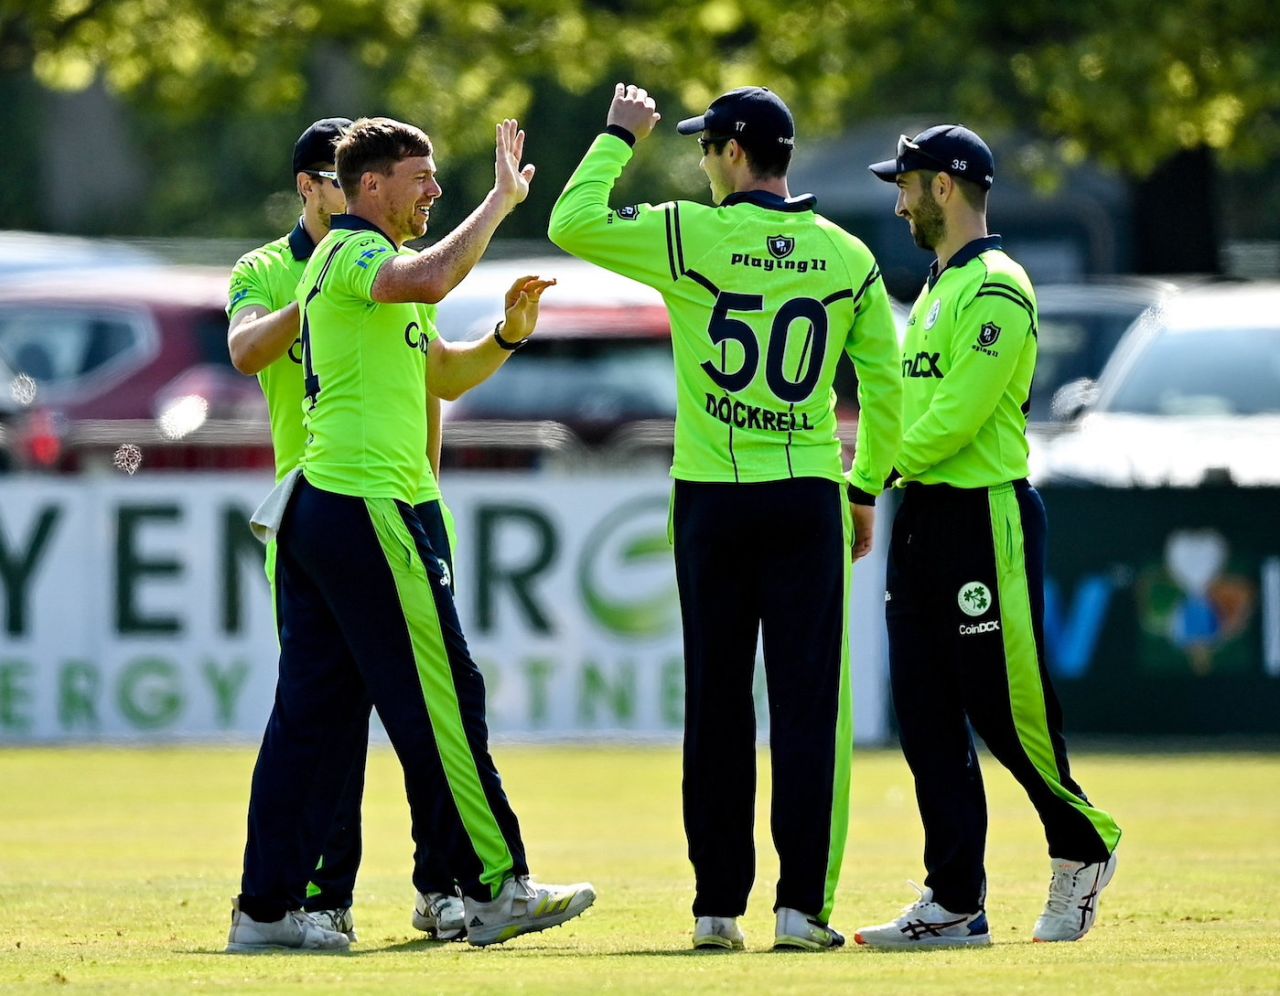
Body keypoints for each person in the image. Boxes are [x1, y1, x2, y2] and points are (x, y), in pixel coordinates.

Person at [227, 115, 594, 953]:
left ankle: (268, 908)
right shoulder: (358, 252)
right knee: (447, 698)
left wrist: (504, 334)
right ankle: (495, 889)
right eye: (420, 177)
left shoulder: (354, 265)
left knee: (313, 718)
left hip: (332, 504)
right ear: (370, 188)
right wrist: (502, 203)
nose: (434, 190)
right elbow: (427, 281)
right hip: (366, 505)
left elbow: (437, 365)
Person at [548, 84, 902, 951]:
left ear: (735, 154)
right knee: (807, 704)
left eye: (709, 146)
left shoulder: (689, 234)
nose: (703, 160)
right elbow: (884, 389)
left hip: (710, 495)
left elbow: (570, 221)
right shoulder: (847, 255)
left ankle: (715, 910)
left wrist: (616, 136)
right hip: (806, 494)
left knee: (716, 704)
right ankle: (800, 909)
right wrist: (864, 490)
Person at [852, 125, 1122, 948]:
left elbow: (957, 419)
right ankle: (955, 902)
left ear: (944, 187)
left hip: (984, 516)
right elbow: (901, 413)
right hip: (922, 521)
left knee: (1008, 712)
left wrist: (865, 479)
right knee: (925, 717)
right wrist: (868, 469)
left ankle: (1084, 844)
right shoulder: (934, 288)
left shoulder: (998, 286)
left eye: (906, 185)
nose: (897, 202)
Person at [225, 118, 465, 943]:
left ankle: (441, 885)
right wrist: (318, 296)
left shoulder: (384, 263)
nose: (352, 190)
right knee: (331, 715)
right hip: (319, 504)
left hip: (398, 502)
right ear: (310, 187)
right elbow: (245, 352)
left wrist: (428, 490)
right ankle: (322, 898)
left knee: (418, 704)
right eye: (334, 177)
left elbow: (428, 373)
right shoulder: (273, 267)